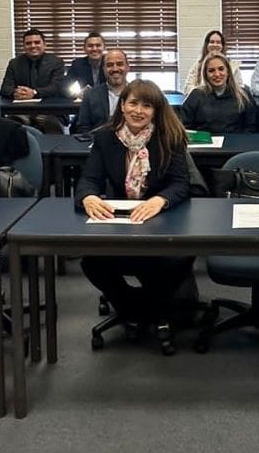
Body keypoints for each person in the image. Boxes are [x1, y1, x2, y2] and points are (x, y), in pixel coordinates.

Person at [76, 80, 195, 354]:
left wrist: (160, 200)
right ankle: (132, 307)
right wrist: (88, 197)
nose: (138, 111)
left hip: (161, 220)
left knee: (178, 256)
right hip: (120, 223)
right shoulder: (105, 138)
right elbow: (89, 179)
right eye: (133, 103)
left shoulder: (169, 136)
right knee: (92, 261)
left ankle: (149, 307)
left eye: (146, 105)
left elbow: (180, 183)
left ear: (156, 110)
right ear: (122, 105)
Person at [179, 52, 256, 133]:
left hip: (237, 140)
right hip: (204, 141)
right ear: (205, 74)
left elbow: (252, 127)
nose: (217, 74)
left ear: (228, 71)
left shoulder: (243, 95)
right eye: (211, 71)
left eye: (221, 69)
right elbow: (184, 125)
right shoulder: (196, 95)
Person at [0, 28, 67, 100]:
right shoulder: (14, 63)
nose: (33, 46)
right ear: (23, 46)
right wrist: (17, 93)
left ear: (45, 45)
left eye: (37, 42)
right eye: (28, 43)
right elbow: (5, 88)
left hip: (47, 103)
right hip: (20, 103)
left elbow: (57, 87)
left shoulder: (56, 62)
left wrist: (34, 93)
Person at [76, 49, 129, 133]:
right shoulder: (90, 95)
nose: (115, 69)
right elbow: (83, 128)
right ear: (104, 69)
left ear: (127, 67)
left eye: (119, 64)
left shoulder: (138, 94)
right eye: (109, 65)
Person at [182, 29, 243, 94]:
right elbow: (187, 88)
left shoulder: (233, 66)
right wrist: (202, 94)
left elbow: (239, 88)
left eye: (218, 42)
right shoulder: (197, 66)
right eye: (212, 42)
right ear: (206, 45)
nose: (215, 45)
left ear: (222, 46)